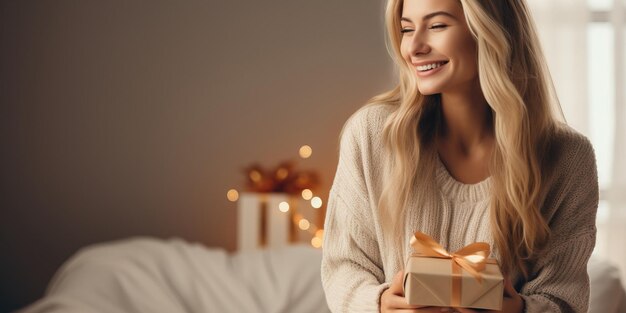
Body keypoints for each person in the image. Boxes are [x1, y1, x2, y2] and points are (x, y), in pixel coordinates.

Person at [320, 0, 598, 312]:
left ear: (492, 31)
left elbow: (564, 298)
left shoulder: (567, 157)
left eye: (437, 25)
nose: (413, 47)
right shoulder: (372, 134)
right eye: (406, 29)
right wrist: (379, 304)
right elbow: (344, 266)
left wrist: (519, 310)